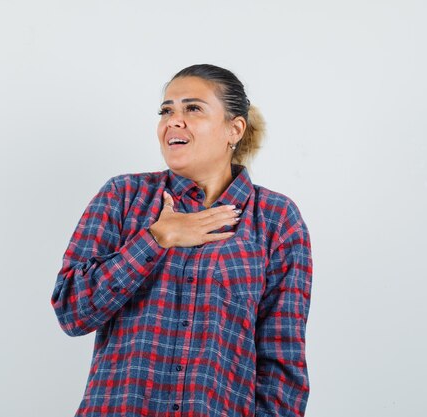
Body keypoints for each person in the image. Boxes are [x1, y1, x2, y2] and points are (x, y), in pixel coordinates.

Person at [50, 64, 313, 417]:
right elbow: (71, 311)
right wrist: (158, 237)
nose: (174, 121)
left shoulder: (275, 219)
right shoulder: (123, 196)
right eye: (166, 110)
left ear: (234, 129)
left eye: (193, 109)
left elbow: (282, 365)